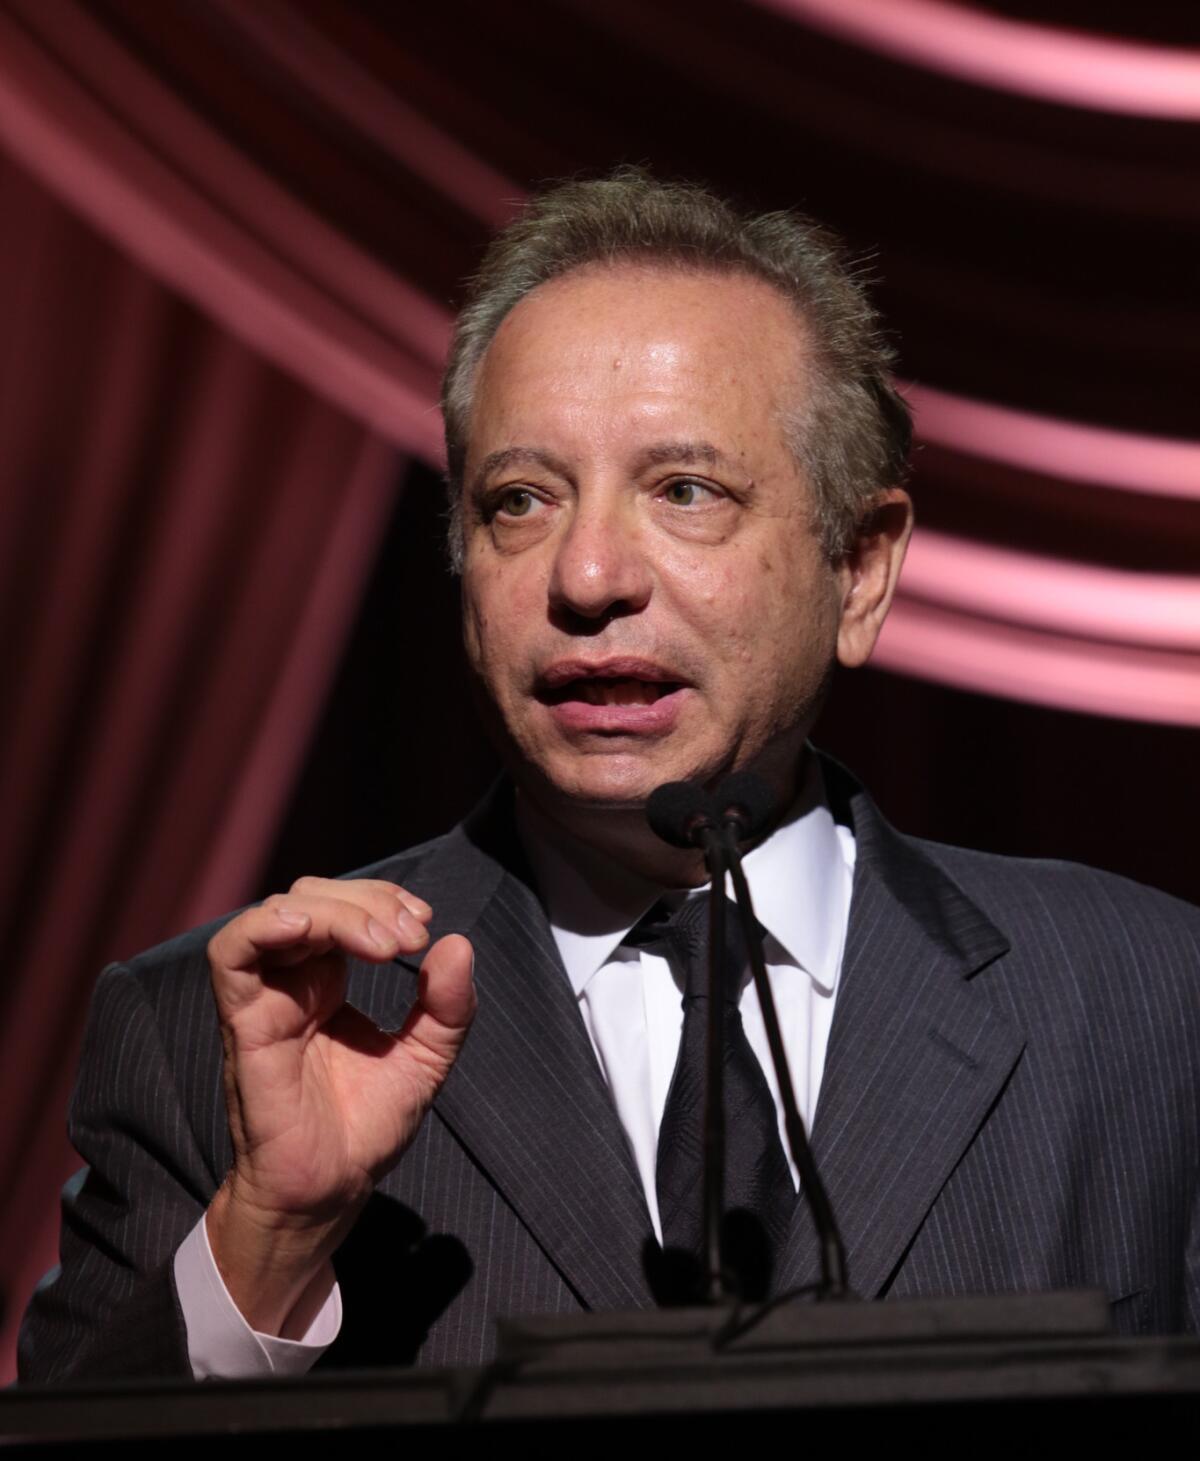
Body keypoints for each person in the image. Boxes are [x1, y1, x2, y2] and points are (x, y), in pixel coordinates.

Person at [19, 172, 1200, 1383]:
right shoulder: (213, 1035)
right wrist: (271, 1240)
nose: (585, 577)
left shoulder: (1148, 1007)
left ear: (859, 571)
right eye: (520, 502)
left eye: (685, 491)